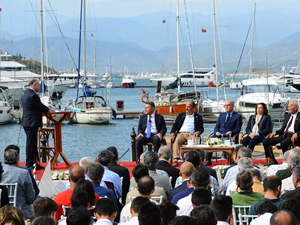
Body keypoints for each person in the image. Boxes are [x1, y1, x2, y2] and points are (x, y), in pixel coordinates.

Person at [21, 79, 54, 170]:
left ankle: (34, 162)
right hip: (31, 123)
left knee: (32, 143)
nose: (39, 87)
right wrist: (48, 109)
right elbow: (39, 106)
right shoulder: (33, 95)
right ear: (35, 84)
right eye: (39, 85)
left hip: (27, 122)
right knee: (31, 144)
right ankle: (30, 163)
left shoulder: (26, 93)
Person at [263, 100, 300, 165]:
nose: (288, 108)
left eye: (289, 107)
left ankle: (288, 162)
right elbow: (283, 128)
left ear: (295, 108)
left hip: (293, 136)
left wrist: (297, 133)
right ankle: (272, 161)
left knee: (283, 143)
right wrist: (275, 132)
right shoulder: (287, 116)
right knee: (266, 141)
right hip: (284, 134)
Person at [206, 100, 242, 165]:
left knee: (228, 142)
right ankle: (208, 159)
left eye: (228, 105)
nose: (226, 107)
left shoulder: (237, 116)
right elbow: (216, 127)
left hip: (230, 136)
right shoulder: (221, 115)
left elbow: (238, 129)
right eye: (225, 105)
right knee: (211, 139)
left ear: (233, 106)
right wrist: (217, 132)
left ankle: (229, 160)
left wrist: (231, 132)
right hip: (219, 135)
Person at [1, 149, 35, 219]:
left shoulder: (0, 172)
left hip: (2, 212)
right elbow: (31, 195)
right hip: (22, 211)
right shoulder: (24, 173)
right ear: (17, 160)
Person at [170, 101, 204, 166]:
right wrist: (172, 132)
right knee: (176, 141)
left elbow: (201, 128)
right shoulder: (181, 115)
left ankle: (193, 160)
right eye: (186, 106)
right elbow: (175, 125)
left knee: (194, 142)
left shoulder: (198, 117)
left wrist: (198, 132)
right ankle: (176, 160)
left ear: (193, 107)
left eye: (188, 107)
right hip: (181, 134)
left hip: (192, 134)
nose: (186, 108)